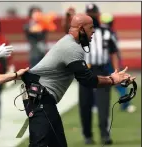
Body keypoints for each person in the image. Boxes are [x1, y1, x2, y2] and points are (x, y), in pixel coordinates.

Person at [21, 13, 135, 147]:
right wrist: (112, 80)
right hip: (40, 97)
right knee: (40, 144)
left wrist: (112, 78)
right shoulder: (72, 47)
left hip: (41, 97)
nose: (93, 31)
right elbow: (87, 80)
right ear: (81, 28)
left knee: (57, 143)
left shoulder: (69, 42)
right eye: (91, 27)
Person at [78, 4, 120, 145]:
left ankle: (105, 135)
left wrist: (116, 71)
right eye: (89, 13)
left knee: (103, 105)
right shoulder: (80, 32)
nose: (92, 16)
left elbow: (113, 52)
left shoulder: (106, 32)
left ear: (98, 14)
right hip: (85, 71)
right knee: (85, 104)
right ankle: (87, 135)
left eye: (93, 13)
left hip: (101, 70)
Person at [100, 12, 136, 113]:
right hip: (110, 62)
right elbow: (114, 51)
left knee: (100, 83)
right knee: (119, 83)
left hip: (102, 63)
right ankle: (126, 105)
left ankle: (96, 105)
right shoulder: (110, 33)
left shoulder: (98, 32)